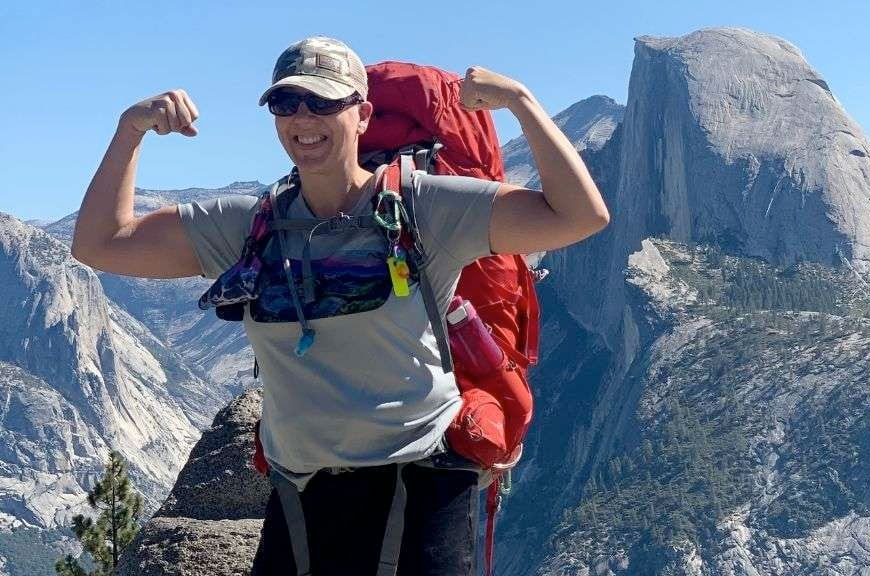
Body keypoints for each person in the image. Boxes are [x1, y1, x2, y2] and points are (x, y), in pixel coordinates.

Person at [71, 36, 609, 575]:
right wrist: (130, 129)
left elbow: (578, 216)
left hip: (421, 487)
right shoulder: (250, 226)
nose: (304, 117)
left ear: (363, 114)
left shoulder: (425, 208)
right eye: (287, 103)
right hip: (304, 497)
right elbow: (101, 243)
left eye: (325, 102)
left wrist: (521, 102)